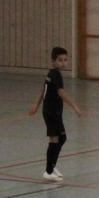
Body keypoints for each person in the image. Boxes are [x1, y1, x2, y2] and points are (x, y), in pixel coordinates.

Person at [29, 46, 82, 181]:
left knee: (62, 138)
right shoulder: (56, 75)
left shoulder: (51, 73)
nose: (63, 63)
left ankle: (52, 166)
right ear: (53, 61)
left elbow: (43, 89)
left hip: (53, 111)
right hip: (52, 112)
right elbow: (61, 92)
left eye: (65, 60)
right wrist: (74, 105)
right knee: (55, 139)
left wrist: (36, 105)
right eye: (60, 60)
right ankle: (48, 171)